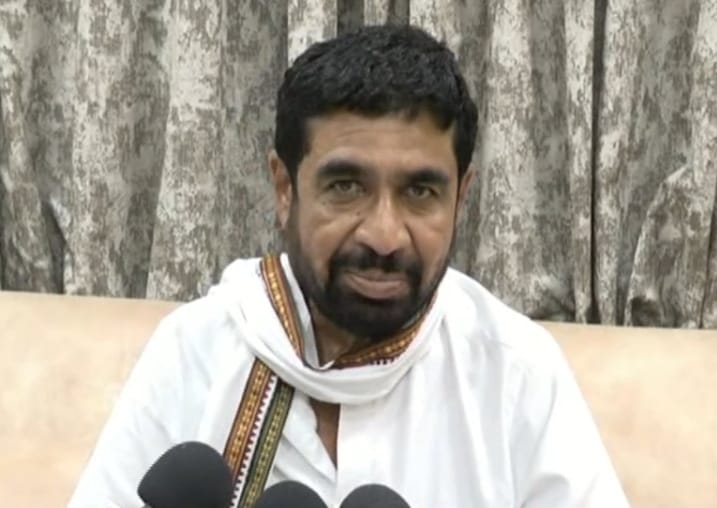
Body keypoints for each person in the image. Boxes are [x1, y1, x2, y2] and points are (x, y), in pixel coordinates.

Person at [68, 25, 630, 508]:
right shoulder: (195, 351)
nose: (384, 236)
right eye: (345, 186)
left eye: (420, 192)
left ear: (461, 198)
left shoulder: (517, 372)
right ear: (285, 188)